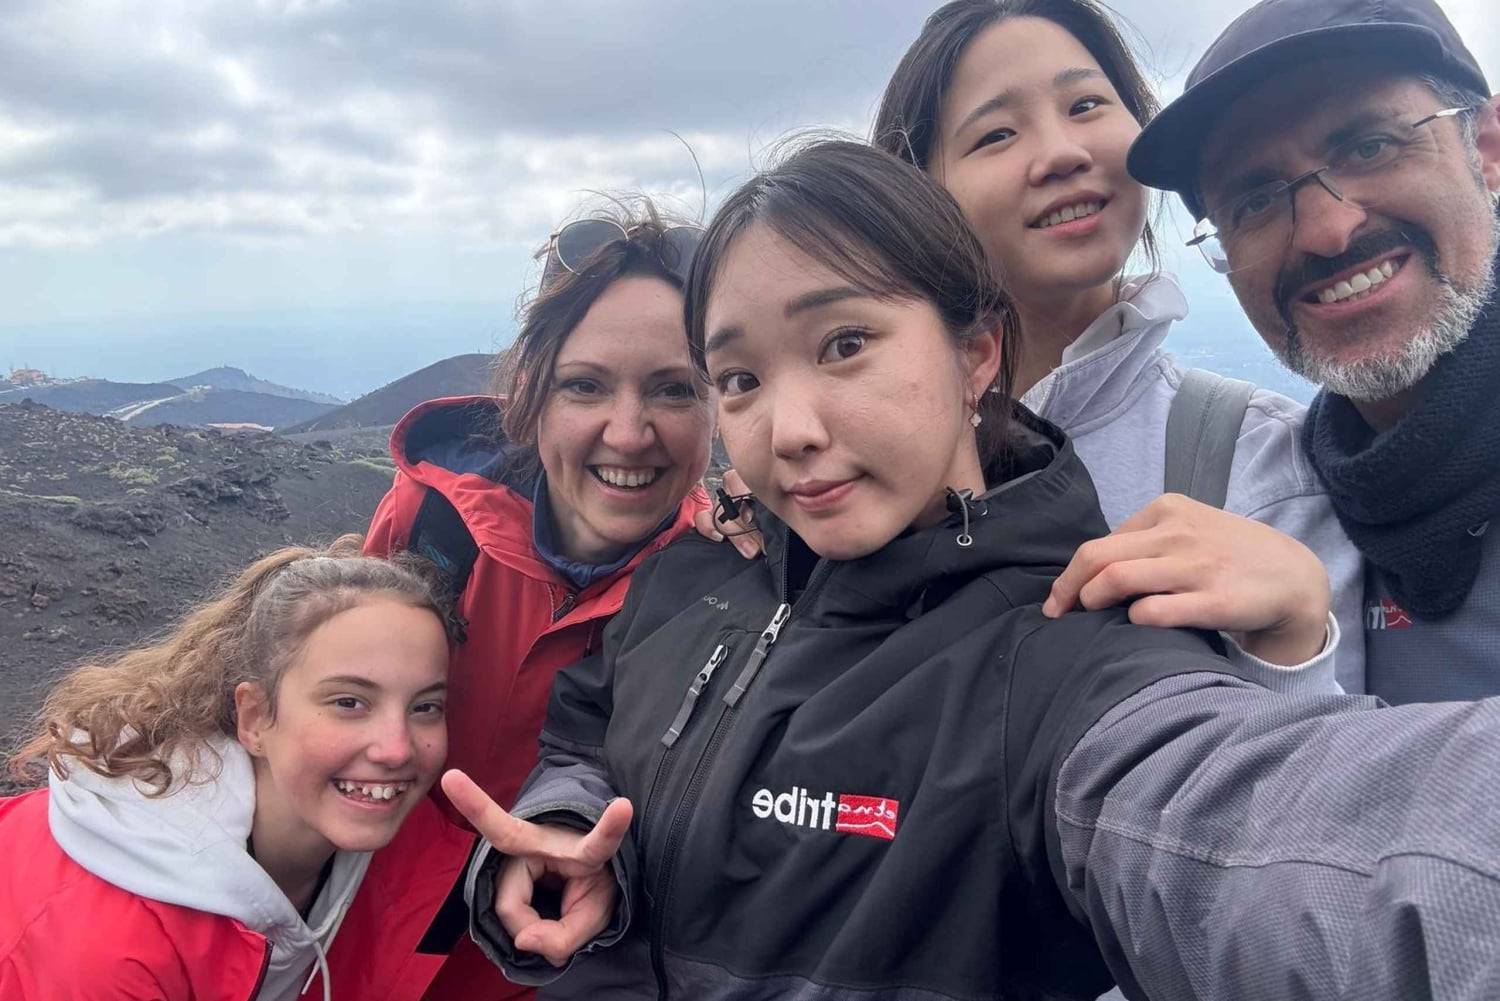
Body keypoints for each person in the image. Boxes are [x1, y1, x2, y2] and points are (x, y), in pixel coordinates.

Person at [448, 141, 1500, 1000]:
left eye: (846, 341)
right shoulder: (696, 576)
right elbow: (588, 728)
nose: (792, 428)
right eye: (739, 378)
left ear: (977, 353)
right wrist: (563, 827)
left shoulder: (1066, 653)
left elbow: (1286, 838)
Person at [868, 0, 1364, 689]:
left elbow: (1342, 778)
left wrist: (1291, 648)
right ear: (917, 196)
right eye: (997, 133)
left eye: (1087, 105)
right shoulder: (862, 455)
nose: (1063, 153)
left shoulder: (1256, 459)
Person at [350, 200, 715, 997]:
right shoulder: (432, 518)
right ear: (531, 392)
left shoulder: (727, 588)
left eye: (675, 391)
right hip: (351, 947)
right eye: (585, 386)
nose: (628, 431)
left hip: (549, 969)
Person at [1128, 0, 1500, 704]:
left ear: (1486, 150)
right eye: (1257, 200)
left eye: (1369, 147)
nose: (1327, 230)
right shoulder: (1297, 493)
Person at [0, 536, 451, 1000]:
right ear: (254, 718)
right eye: (349, 702)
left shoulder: (406, 845)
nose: (397, 749)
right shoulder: (105, 951)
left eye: (426, 707)